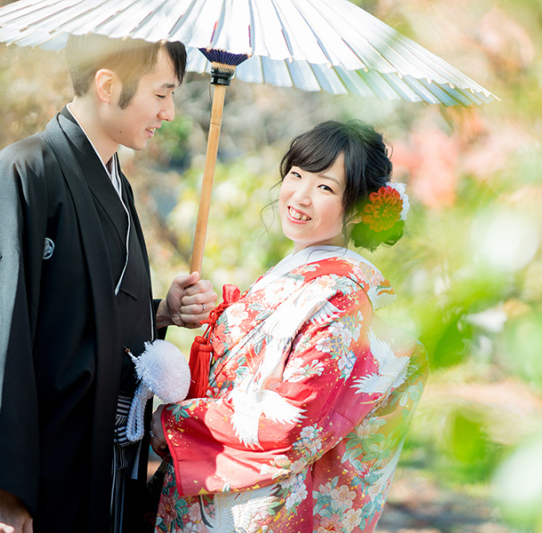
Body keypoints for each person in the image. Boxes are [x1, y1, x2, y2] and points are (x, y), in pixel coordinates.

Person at [0, 34, 218, 533]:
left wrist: (160, 312)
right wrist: (0, 487)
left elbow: (83, 309)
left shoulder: (115, 183)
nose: (168, 112)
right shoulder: (24, 171)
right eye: (161, 93)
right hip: (40, 464)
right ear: (107, 84)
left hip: (106, 457)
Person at [150, 120, 427, 532]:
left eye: (326, 187)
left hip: (256, 505)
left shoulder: (341, 296)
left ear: (358, 208)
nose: (300, 195)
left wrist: (176, 421)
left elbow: (292, 419)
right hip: (219, 487)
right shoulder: (299, 275)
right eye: (297, 175)